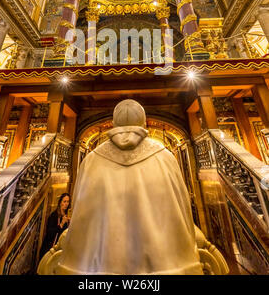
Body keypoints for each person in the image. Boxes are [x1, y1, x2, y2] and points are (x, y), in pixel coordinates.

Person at [43, 99, 204, 275]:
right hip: (166, 267)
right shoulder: (165, 157)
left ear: (113, 123)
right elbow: (184, 209)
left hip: (97, 269)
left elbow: (80, 216)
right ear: (144, 123)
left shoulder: (90, 160)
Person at [39, 193, 70, 260]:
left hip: (59, 249)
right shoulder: (54, 215)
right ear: (60, 203)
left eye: (68, 201)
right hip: (50, 248)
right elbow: (49, 232)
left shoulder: (67, 215)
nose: (66, 204)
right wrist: (61, 224)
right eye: (64, 201)